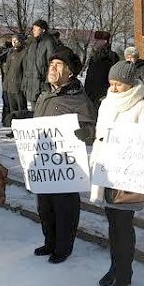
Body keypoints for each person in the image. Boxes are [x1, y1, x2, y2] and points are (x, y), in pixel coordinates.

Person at [90, 61, 144, 286]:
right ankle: (114, 266)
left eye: (119, 84)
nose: (114, 88)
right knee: (112, 225)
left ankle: (125, 272)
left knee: (124, 226)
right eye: (112, 83)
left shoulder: (141, 107)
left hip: (126, 175)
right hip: (107, 171)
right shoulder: (106, 104)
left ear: (130, 84)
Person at [33, 47, 97, 263]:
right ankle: (49, 241)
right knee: (45, 207)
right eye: (51, 64)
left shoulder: (79, 99)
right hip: (44, 164)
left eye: (58, 65)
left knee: (64, 209)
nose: (52, 68)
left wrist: (82, 133)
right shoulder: (44, 96)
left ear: (70, 72)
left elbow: (92, 130)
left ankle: (63, 247)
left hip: (66, 166)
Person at [22, 19, 56, 110]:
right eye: (33, 28)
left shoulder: (49, 42)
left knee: (43, 110)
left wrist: (48, 81)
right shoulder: (32, 43)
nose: (33, 30)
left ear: (43, 30)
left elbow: (52, 63)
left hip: (42, 83)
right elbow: (27, 64)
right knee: (34, 110)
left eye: (36, 28)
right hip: (31, 82)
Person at [85, 31, 119, 109]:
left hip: (104, 94)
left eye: (97, 40)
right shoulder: (93, 56)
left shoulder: (112, 56)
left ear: (104, 41)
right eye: (95, 40)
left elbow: (114, 76)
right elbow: (89, 75)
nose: (95, 42)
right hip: (90, 93)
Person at [3, 34, 27, 118]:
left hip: (19, 87)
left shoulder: (24, 53)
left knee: (21, 109)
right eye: (13, 41)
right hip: (10, 87)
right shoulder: (10, 53)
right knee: (13, 110)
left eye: (16, 41)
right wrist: (5, 85)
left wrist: (23, 85)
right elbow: (7, 71)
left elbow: (25, 71)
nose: (14, 43)